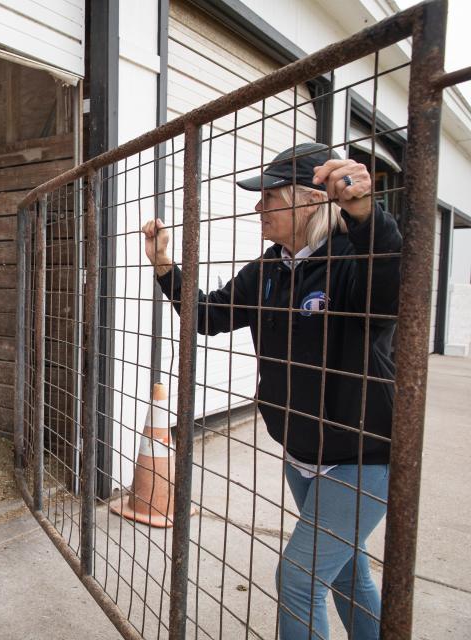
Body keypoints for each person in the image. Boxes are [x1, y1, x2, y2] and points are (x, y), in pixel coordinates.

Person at [141, 142, 400, 640]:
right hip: (300, 452)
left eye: (270, 198)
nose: (258, 207)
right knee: (347, 575)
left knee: (299, 579)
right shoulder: (270, 268)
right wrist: (164, 268)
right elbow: (209, 315)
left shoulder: (352, 259)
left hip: (361, 455)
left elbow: (391, 285)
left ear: (309, 200)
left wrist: (367, 212)